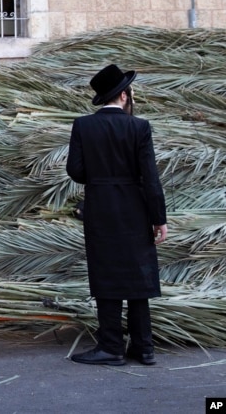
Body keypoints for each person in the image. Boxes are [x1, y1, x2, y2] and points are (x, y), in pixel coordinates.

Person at [66, 65, 168, 367]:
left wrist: (100, 177)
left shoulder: (83, 126)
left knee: (106, 273)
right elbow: (151, 178)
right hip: (136, 209)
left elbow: (75, 171)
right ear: (124, 95)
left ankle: (111, 347)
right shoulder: (140, 127)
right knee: (138, 272)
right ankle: (144, 347)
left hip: (101, 208)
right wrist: (159, 218)